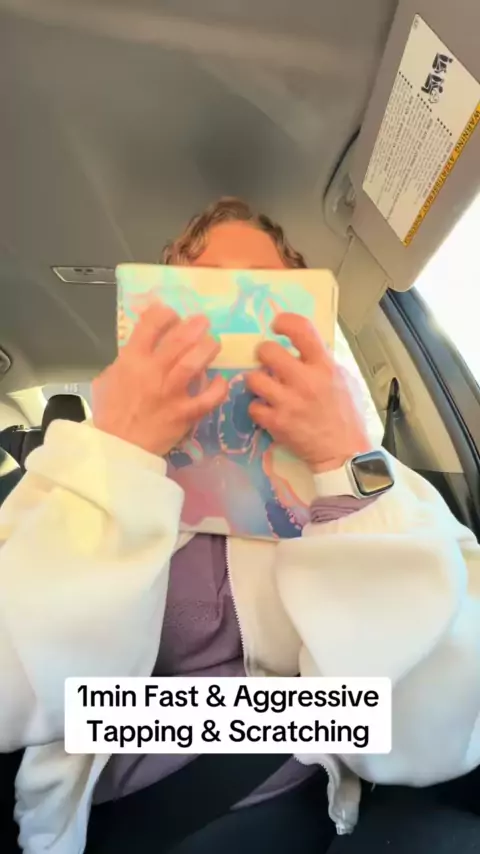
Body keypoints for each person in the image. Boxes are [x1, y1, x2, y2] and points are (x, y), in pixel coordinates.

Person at [1, 197, 480, 854]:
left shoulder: (368, 474)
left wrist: (344, 463)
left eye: (262, 296)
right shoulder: (75, 469)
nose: (229, 323)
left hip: (298, 816)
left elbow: (435, 731)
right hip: (119, 825)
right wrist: (116, 454)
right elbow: (14, 696)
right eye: (201, 295)